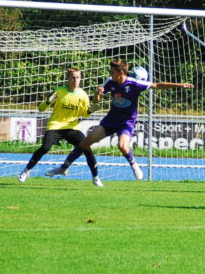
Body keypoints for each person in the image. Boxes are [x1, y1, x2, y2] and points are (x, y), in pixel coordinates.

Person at [46, 58, 193, 180]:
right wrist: (98, 94)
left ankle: (134, 165)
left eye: (112, 72)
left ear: (121, 72)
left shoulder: (134, 83)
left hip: (126, 121)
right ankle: (63, 168)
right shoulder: (110, 82)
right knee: (85, 143)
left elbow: (157, 85)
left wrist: (180, 85)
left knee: (122, 146)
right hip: (110, 121)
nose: (110, 74)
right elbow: (96, 101)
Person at [18, 67, 103, 187]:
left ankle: (95, 177)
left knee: (87, 148)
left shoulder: (83, 95)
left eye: (77, 77)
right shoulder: (59, 92)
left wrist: (91, 110)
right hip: (55, 126)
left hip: (72, 127)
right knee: (45, 148)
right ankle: (26, 171)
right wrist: (47, 102)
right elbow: (41, 109)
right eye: (73, 77)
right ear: (68, 78)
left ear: (80, 79)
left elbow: (84, 114)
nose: (75, 80)